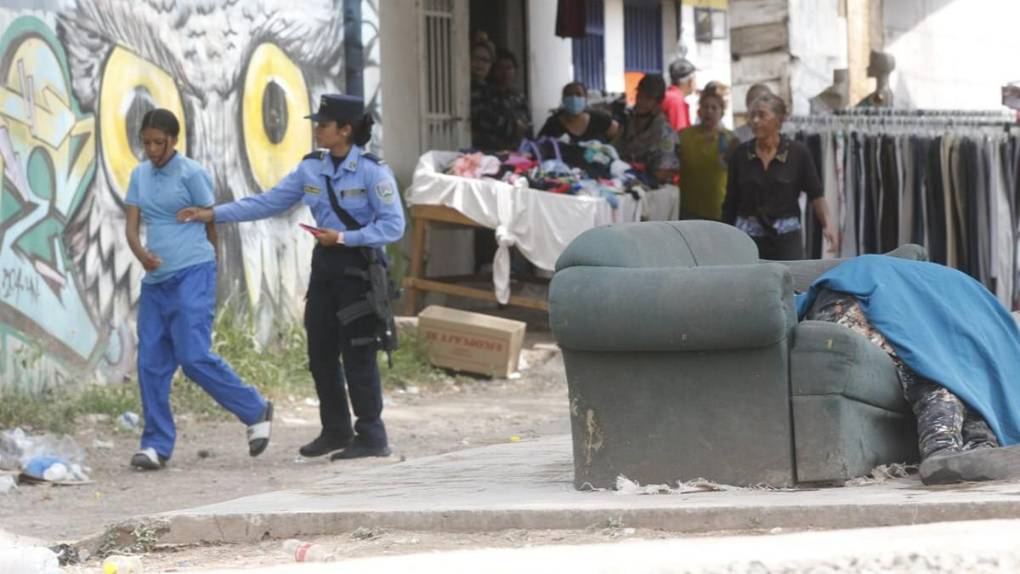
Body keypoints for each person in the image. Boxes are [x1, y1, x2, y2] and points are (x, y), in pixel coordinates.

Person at [177, 95, 405, 460]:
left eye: (323, 125)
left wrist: (344, 237)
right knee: (320, 352)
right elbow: (269, 202)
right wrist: (213, 214)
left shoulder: (373, 172)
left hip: (359, 268)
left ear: (345, 131)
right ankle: (336, 430)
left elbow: (393, 226)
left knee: (358, 352)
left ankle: (372, 436)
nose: (317, 130)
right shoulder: (311, 168)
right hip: (326, 266)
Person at [124, 109, 272, 471]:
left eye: (159, 143)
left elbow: (210, 221)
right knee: (150, 364)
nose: (152, 150)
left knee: (192, 357)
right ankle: (155, 444)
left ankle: (255, 409)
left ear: (174, 141)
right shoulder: (139, 175)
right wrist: (142, 255)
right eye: (147, 143)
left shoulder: (191, 173)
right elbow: (131, 228)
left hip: (193, 273)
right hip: (156, 283)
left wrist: (213, 264)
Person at [798, 255, 1020, 485]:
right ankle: (941, 449)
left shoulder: (985, 325)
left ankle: (980, 447)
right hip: (851, 298)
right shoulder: (995, 334)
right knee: (935, 377)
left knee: (964, 384)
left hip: (876, 290)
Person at [722, 92, 838, 259]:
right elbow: (730, 202)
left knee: (791, 276)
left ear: (779, 119)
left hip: (786, 240)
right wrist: (725, 236)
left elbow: (816, 195)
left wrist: (828, 225)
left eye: (762, 115)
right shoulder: (741, 155)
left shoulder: (798, 153)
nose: (755, 121)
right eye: (752, 115)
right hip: (748, 239)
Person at [676, 82, 739, 220]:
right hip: (689, 208)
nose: (709, 111)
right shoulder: (684, 136)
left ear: (722, 112)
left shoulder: (730, 139)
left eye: (714, 108)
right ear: (699, 111)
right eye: (705, 107)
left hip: (718, 209)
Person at [614, 74, 678, 186]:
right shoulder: (628, 122)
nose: (641, 101)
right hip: (622, 180)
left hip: (654, 189)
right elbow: (614, 150)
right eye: (640, 95)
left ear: (658, 103)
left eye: (648, 99)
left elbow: (666, 172)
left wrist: (642, 174)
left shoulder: (665, 133)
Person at [472, 48, 532, 151]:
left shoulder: (519, 97)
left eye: (509, 68)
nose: (505, 73)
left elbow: (528, 124)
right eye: (500, 68)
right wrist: (513, 127)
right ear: (493, 70)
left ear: (515, 70)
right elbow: (484, 119)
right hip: (490, 149)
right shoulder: (484, 94)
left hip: (518, 150)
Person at [538, 81, 620, 144]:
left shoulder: (598, 118)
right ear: (563, 100)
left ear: (585, 99)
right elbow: (540, 145)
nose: (574, 98)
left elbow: (614, 129)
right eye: (569, 95)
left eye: (578, 94)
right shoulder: (553, 123)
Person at [663, 58, 696, 131]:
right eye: (695, 78)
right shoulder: (676, 100)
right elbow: (680, 132)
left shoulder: (670, 95)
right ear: (690, 81)